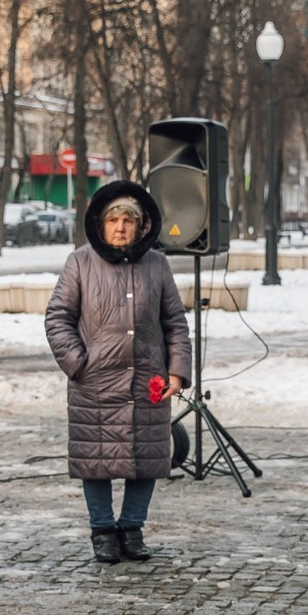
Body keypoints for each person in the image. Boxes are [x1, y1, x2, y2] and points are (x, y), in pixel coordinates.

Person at [44, 181, 191, 564]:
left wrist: (177, 372)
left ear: (142, 226)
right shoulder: (80, 262)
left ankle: (132, 527)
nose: (121, 227)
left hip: (148, 381)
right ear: (101, 224)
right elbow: (58, 317)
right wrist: (78, 363)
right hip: (94, 382)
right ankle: (103, 531)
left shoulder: (157, 265)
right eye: (114, 220)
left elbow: (174, 321)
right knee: (97, 460)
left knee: (147, 458)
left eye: (129, 220)